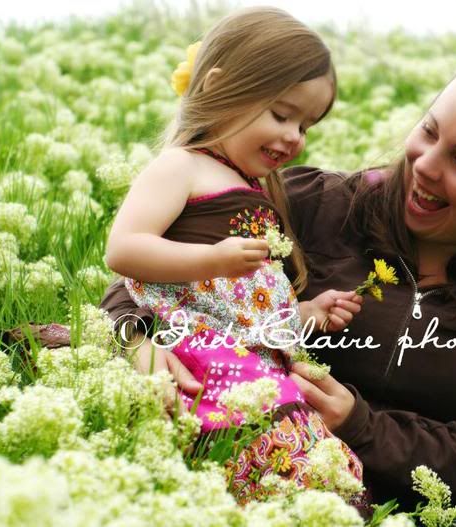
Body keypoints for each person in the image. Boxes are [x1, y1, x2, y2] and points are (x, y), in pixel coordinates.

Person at [102, 51, 456, 526]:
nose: (426, 164)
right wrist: (138, 339)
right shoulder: (315, 203)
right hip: (259, 471)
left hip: (424, 515)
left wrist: (361, 427)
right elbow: (141, 273)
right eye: (428, 131)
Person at [103, 7, 368, 507]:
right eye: (282, 114)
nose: (295, 136)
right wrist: (212, 261)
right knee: (277, 447)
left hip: (250, 354)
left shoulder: (256, 188)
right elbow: (124, 248)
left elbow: (248, 300)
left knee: (321, 463)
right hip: (198, 348)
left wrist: (305, 313)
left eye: (307, 124)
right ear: (217, 89)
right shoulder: (182, 166)